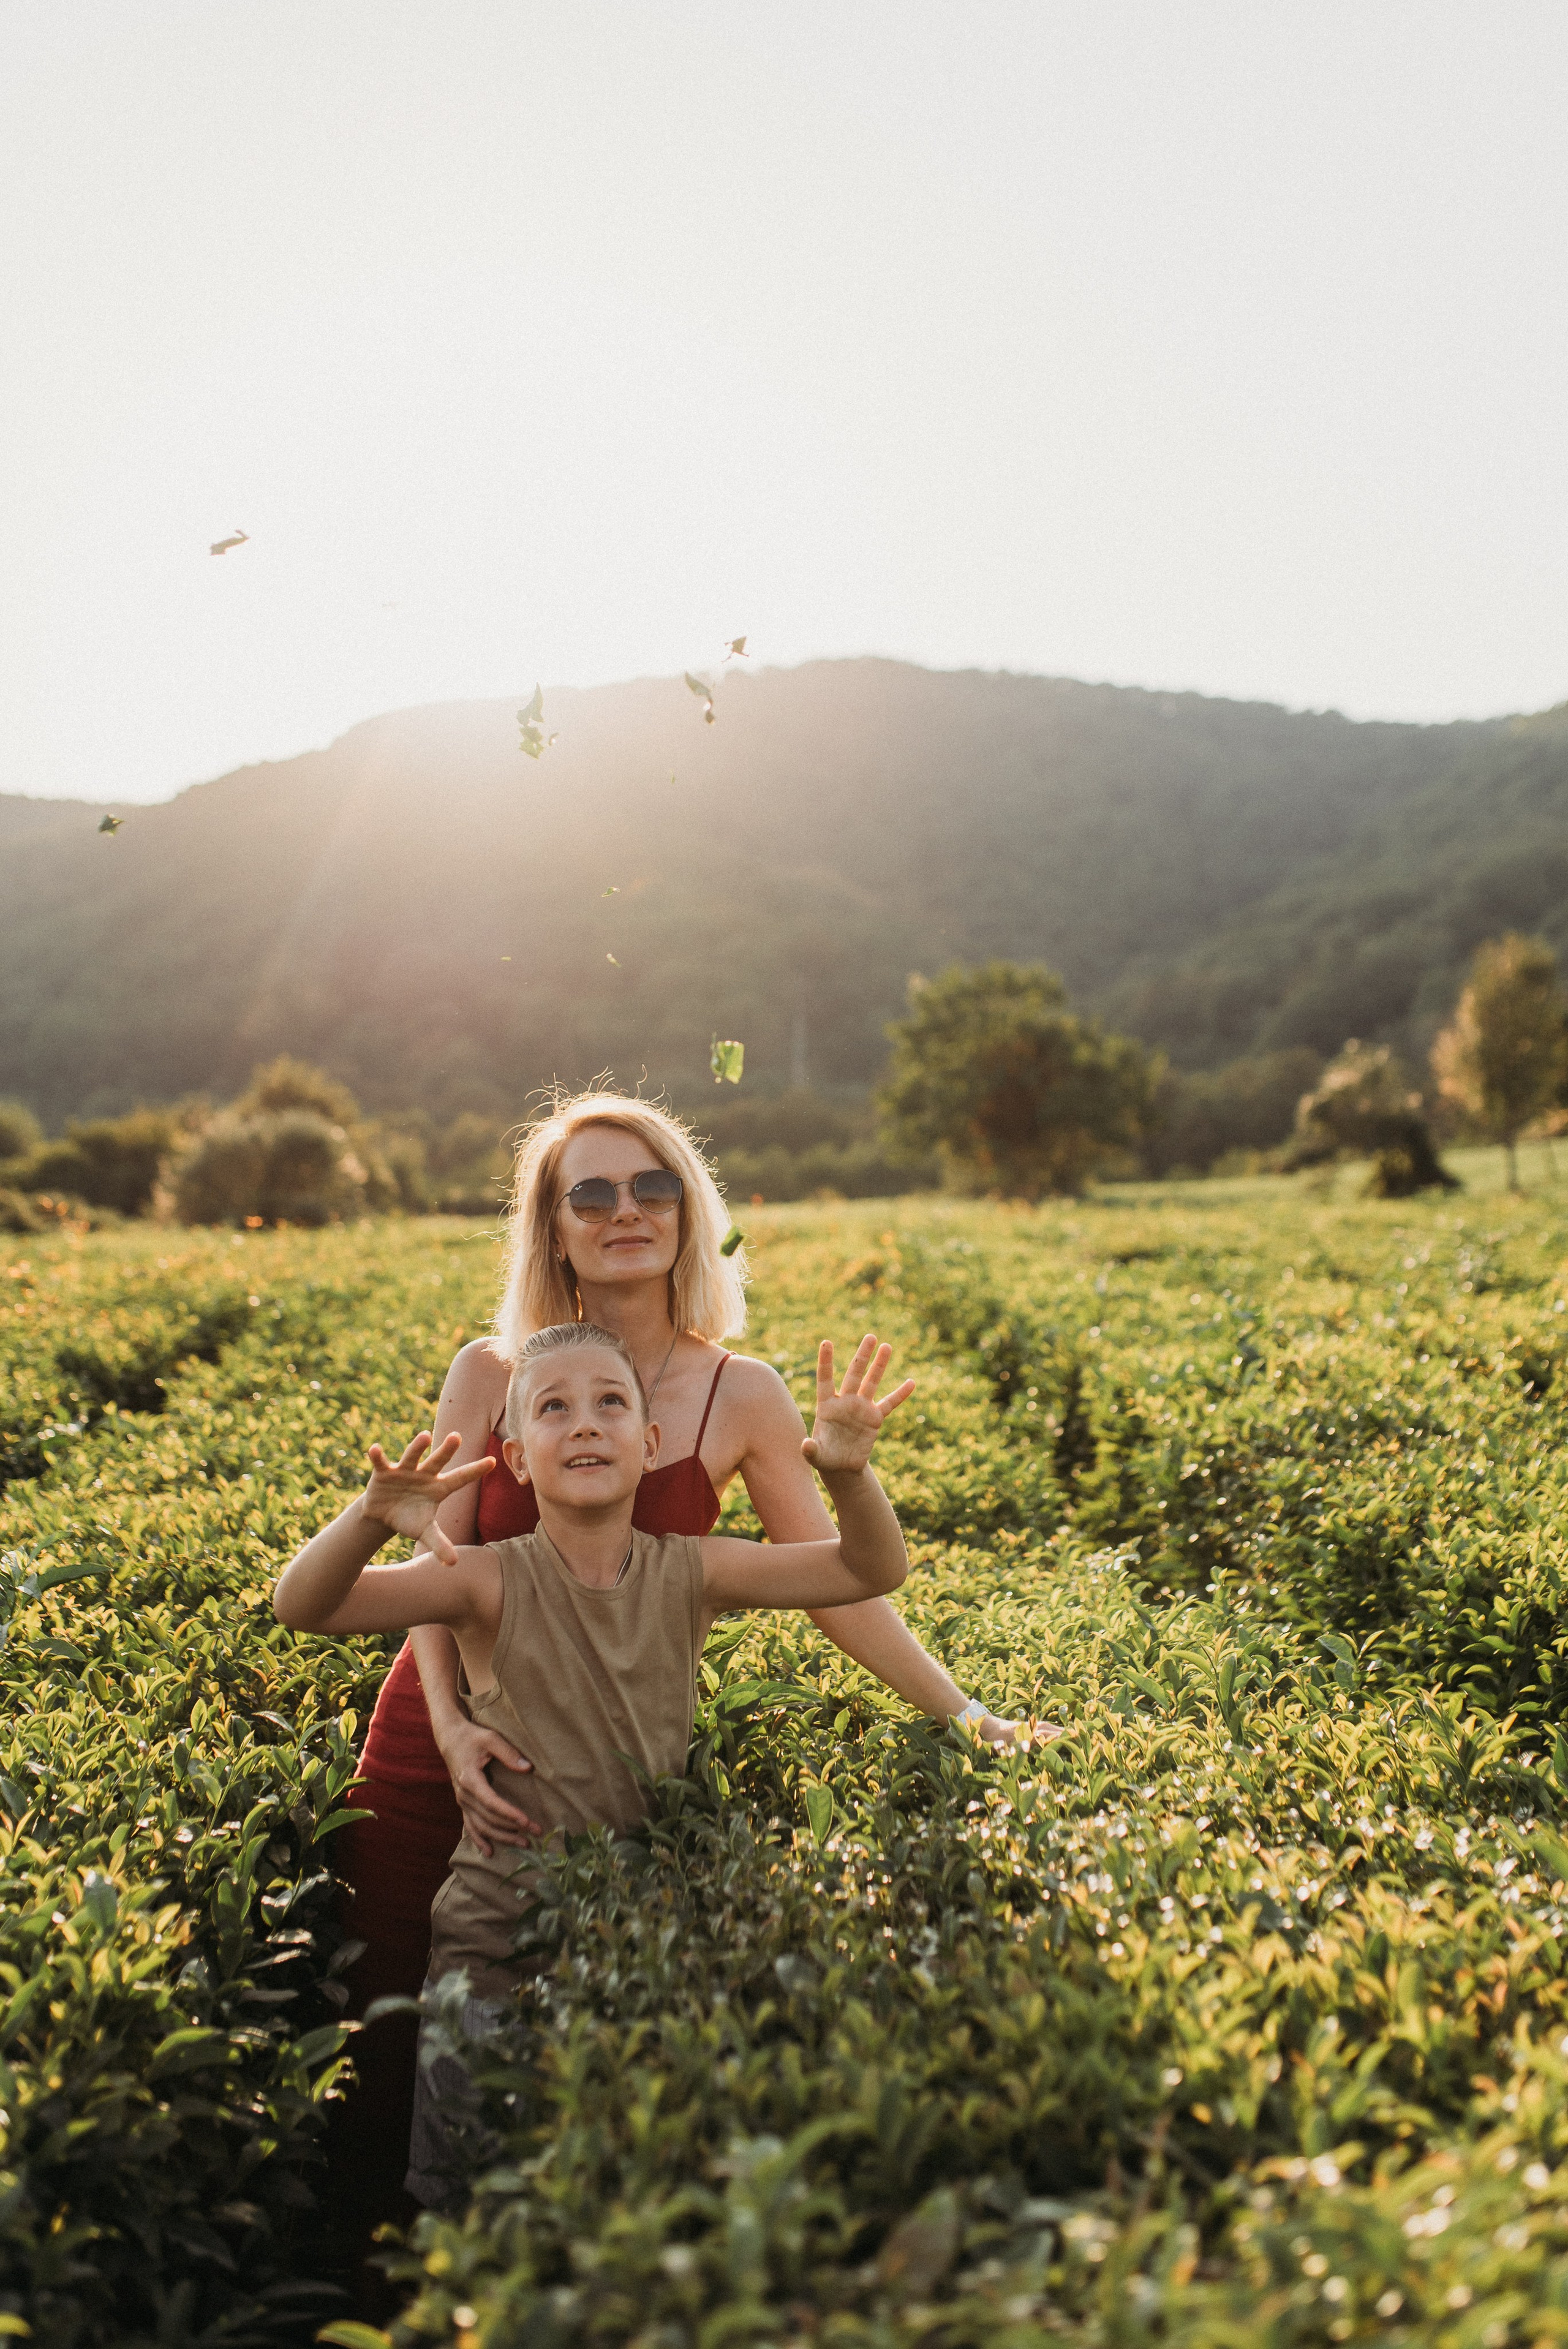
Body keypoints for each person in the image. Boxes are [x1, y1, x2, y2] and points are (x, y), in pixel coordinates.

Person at [328, 1094, 1014, 2271]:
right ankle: (383, 2281)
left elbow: (839, 1582)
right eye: (587, 1194)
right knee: (399, 2019)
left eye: (651, 1188)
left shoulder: (740, 1391)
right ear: (552, 1228)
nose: (624, 1213)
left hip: (599, 1755)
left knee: (563, 2047)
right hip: (442, 1745)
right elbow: (429, 1569)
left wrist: (963, 1710)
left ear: (690, 1212)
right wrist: (447, 1734)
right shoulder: (492, 1371)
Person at [275, 1319, 916, 2208]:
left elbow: (869, 1568)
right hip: (494, 1952)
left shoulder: (695, 1571)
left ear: (651, 1447)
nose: (585, 1423)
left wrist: (847, 1473)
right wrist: (369, 1515)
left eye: (611, 1403)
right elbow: (304, 1605)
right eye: (554, 1408)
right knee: (472, 2207)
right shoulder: (484, 1581)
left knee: (610, 2205)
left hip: (634, 1954)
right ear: (516, 1458)